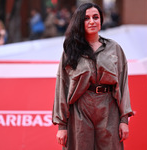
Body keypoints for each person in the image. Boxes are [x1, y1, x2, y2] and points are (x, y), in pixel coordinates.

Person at [52, 2, 134, 150]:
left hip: (109, 108)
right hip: (80, 109)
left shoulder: (114, 48)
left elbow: (122, 84)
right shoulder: (71, 50)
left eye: (95, 17)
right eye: (86, 18)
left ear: (101, 20)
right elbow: (62, 86)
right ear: (79, 22)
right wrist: (61, 126)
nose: (92, 21)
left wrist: (124, 120)